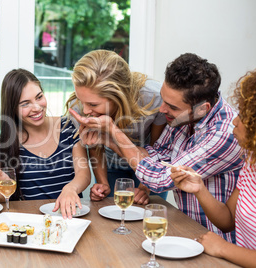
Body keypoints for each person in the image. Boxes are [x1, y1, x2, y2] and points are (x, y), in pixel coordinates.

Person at [70, 53, 243, 243]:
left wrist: (113, 131)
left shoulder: (224, 133)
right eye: (163, 99)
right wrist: (109, 140)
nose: (161, 110)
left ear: (203, 108)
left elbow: (159, 178)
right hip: (191, 232)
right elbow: (153, 157)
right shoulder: (185, 118)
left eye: (172, 107)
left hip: (221, 240)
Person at [170, 67, 256, 267]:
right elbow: (228, 221)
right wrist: (199, 188)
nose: (234, 120)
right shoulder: (252, 162)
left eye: (244, 116)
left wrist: (224, 248)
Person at [66, 50, 167, 205]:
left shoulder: (154, 97)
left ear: (118, 96)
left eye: (93, 104)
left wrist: (145, 187)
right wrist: (102, 183)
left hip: (149, 162)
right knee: (114, 213)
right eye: (81, 100)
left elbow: (157, 147)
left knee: (148, 213)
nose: (85, 110)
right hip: (112, 163)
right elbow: (95, 145)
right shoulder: (78, 107)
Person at [0, 69, 90, 219]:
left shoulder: (67, 126)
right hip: (32, 222)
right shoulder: (7, 140)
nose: (37, 107)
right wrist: (3, 187)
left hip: (70, 217)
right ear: (13, 109)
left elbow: (84, 174)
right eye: (25, 104)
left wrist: (71, 188)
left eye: (39, 97)